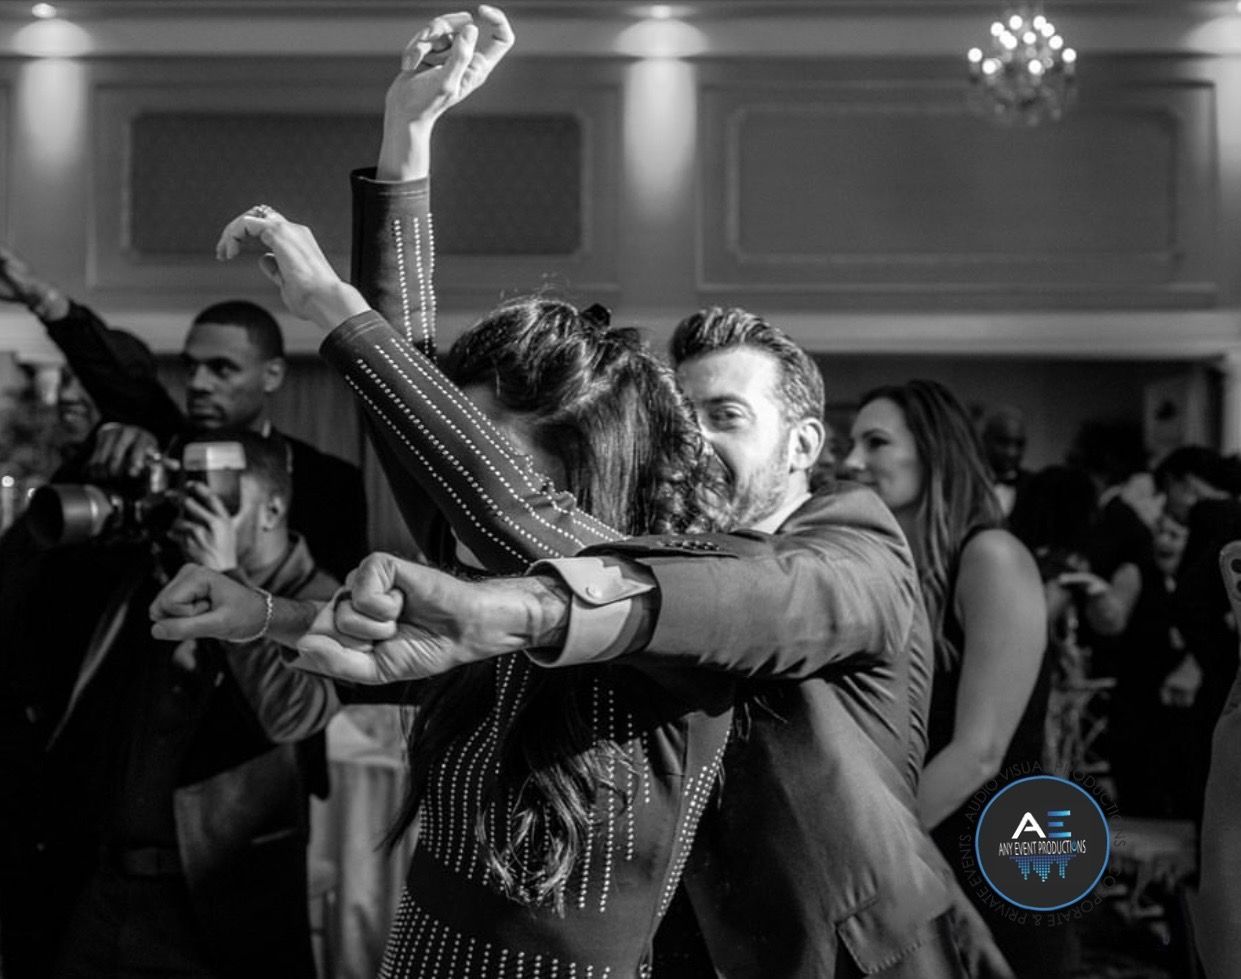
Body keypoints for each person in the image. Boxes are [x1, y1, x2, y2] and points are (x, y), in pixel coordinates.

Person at [152, 9, 970, 974]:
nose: (688, 439)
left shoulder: (852, 553)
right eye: (680, 411)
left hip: (816, 953)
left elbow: (652, 578)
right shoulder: (572, 557)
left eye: (726, 416)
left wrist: (341, 315)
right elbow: (444, 462)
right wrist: (406, 144)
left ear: (805, 443)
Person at [6, 431, 339, 979]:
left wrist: (231, 580)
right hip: (103, 888)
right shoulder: (160, 571)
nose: (194, 510)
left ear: (273, 507)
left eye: (216, 495)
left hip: (213, 903)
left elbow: (293, 713)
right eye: (188, 492)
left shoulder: (319, 596)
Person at [845, 380, 1051, 978]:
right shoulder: (902, 567)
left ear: (933, 452)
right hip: (930, 842)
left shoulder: (991, 555)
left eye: (876, 442)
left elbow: (979, 753)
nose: (853, 461)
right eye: (853, 443)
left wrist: (869, 837)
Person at [0, 251, 367, 581]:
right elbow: (119, 379)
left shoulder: (329, 482)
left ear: (271, 375)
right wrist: (45, 301)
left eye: (221, 369)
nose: (198, 383)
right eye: (191, 367)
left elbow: (337, 599)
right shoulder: (162, 447)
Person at [979, 405, 1031, 516]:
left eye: (1019, 444)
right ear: (985, 439)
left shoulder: (1035, 489)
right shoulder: (968, 483)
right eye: (1003, 442)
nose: (1011, 452)